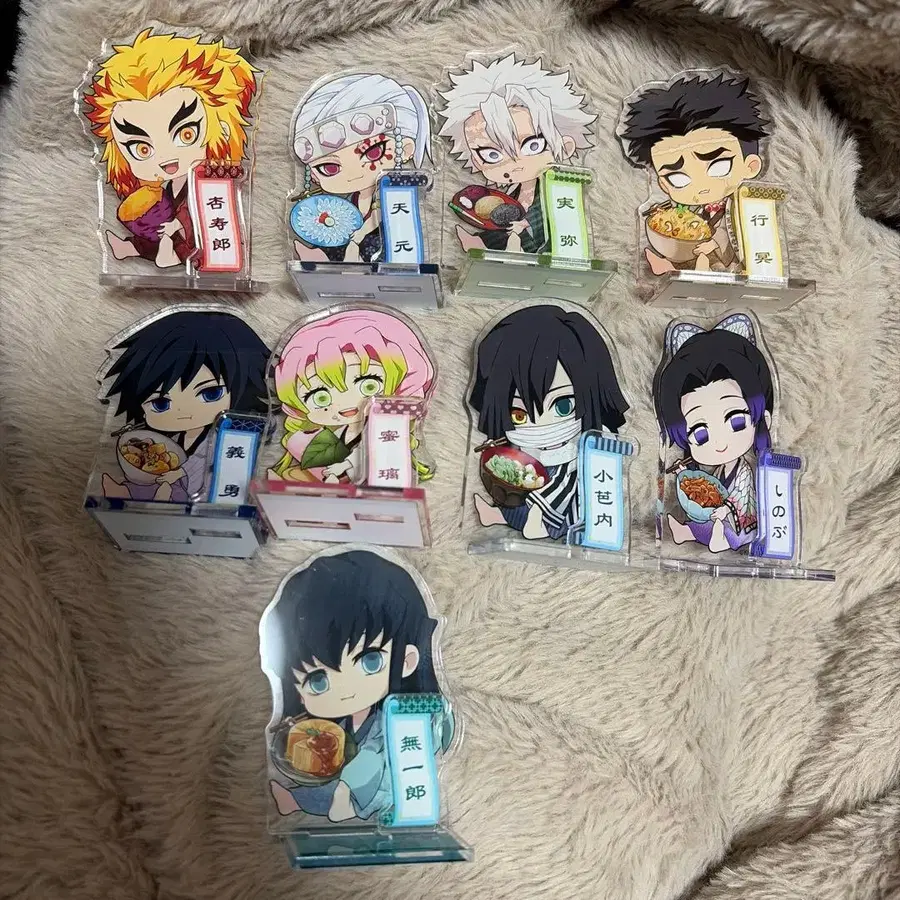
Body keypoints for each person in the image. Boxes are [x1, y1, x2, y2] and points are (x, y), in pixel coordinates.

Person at [263, 550, 451, 822]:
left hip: (387, 783)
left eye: (370, 661)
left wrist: (348, 787)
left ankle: (346, 800)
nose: (347, 690)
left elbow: (380, 756)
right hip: (344, 775)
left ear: (407, 660)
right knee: (330, 774)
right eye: (318, 680)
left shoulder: (401, 717)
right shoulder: (339, 724)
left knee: (368, 760)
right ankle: (297, 800)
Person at [83, 29, 258, 268]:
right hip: (175, 232)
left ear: (222, 126)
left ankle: (173, 255)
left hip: (202, 240)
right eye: (142, 149)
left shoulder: (208, 181)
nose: (166, 158)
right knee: (155, 229)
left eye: (186, 134)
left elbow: (200, 212)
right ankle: (132, 248)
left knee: (182, 231)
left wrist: (178, 225)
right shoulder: (163, 188)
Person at [469, 305, 628, 540]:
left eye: (563, 406)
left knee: (564, 493)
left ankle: (544, 524)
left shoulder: (593, 440)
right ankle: (500, 515)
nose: (543, 426)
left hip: (571, 475)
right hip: (531, 469)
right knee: (518, 495)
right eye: (519, 415)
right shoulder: (517, 443)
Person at [100, 309, 269, 502]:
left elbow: (209, 464)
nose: (183, 413)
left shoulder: (227, 436)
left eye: (210, 393)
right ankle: (130, 492)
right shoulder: (169, 440)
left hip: (204, 493)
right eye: (161, 403)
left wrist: (180, 473)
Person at [438, 54, 595, 254]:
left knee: (522, 230)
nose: (514, 164)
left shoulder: (555, 188)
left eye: (533, 146)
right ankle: (486, 243)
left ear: (565, 146)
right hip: (512, 239)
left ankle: (511, 247)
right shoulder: (512, 190)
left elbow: (548, 215)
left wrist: (524, 225)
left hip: (546, 246)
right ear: (476, 160)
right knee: (503, 225)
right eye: (492, 155)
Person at [618, 72, 769, 275]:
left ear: (750, 166)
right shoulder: (688, 211)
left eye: (719, 166)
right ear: (664, 184)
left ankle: (698, 271)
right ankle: (673, 268)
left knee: (708, 259)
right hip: (693, 251)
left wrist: (715, 243)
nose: (702, 186)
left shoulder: (746, 207)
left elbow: (741, 234)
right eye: (678, 178)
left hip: (732, 265)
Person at [271, 307, 435, 483]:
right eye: (320, 397)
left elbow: (373, 453)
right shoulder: (321, 437)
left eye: (369, 386)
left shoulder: (386, 431)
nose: (345, 404)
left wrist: (343, 468)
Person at [654, 313, 774, 553]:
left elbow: (743, 498)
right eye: (700, 435)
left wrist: (726, 509)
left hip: (741, 523)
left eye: (737, 422)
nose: (720, 443)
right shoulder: (718, 471)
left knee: (726, 529)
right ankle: (687, 532)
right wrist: (683, 473)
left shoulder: (744, 473)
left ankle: (721, 539)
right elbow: (704, 484)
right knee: (703, 524)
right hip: (717, 516)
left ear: (764, 418)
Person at [291, 73, 432, 264]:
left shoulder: (400, 195)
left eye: (373, 153)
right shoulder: (344, 205)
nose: (354, 174)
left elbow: (394, 228)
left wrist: (359, 238)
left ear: (405, 149)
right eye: (330, 168)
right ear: (314, 175)